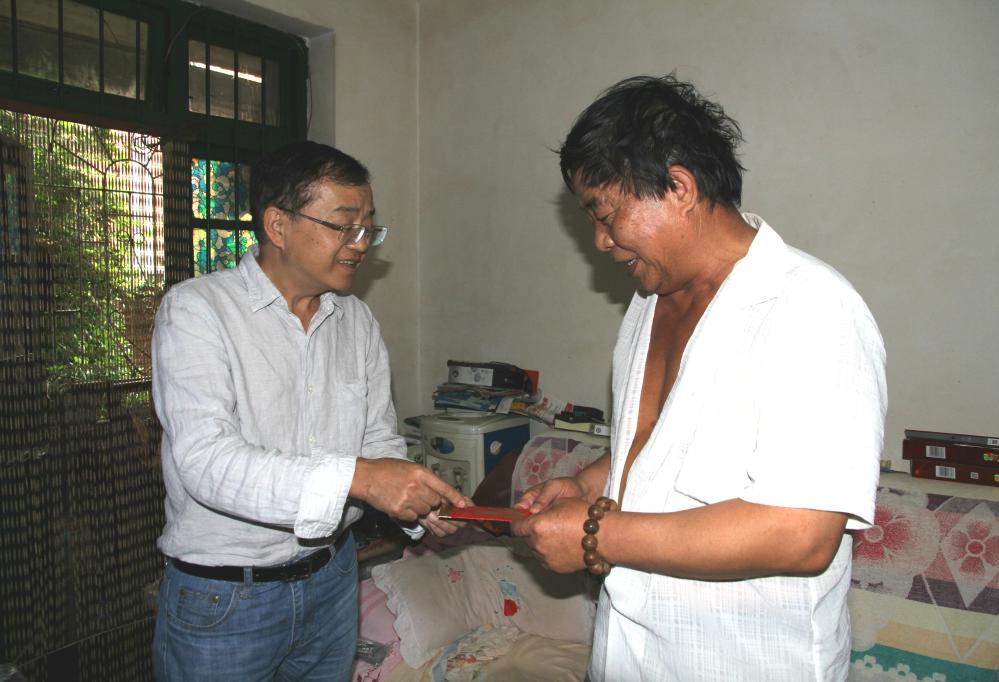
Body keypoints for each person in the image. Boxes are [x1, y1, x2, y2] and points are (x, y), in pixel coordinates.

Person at [511, 75, 887, 681]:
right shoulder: (648, 304)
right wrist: (584, 485)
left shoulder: (810, 306)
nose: (601, 241)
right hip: (627, 654)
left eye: (605, 214)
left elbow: (802, 532)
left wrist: (597, 536)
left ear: (679, 187)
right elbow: (655, 446)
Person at [151, 140, 470, 681]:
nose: (360, 243)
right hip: (227, 598)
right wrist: (364, 479)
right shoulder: (197, 311)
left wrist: (415, 500)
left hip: (333, 579)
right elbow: (207, 463)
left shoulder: (357, 321)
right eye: (344, 225)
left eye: (368, 227)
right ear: (278, 225)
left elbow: (377, 442)